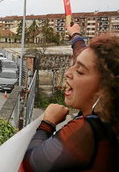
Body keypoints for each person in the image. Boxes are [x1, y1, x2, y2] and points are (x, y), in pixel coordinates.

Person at [22, 24, 119, 171]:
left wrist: (48, 122)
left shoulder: (89, 131)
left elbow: (31, 164)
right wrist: (76, 35)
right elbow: (82, 53)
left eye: (79, 71)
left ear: (105, 88)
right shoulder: (111, 118)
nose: (68, 72)